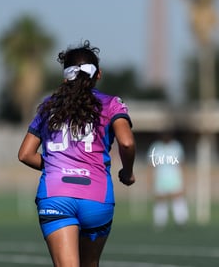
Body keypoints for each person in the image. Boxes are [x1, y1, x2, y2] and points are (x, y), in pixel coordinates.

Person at [18, 40, 136, 267]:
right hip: (97, 197)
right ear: (98, 74)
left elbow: (25, 154)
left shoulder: (48, 106)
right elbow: (127, 143)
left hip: (56, 195)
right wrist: (128, 172)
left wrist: (56, 165)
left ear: (65, 76)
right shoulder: (111, 104)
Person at [147, 131, 189, 230]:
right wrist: (150, 182)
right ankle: (160, 223)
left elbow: (182, 164)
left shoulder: (176, 146)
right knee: (160, 200)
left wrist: (184, 182)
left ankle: (181, 222)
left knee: (177, 199)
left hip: (175, 178)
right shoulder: (155, 147)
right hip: (160, 179)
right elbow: (150, 166)